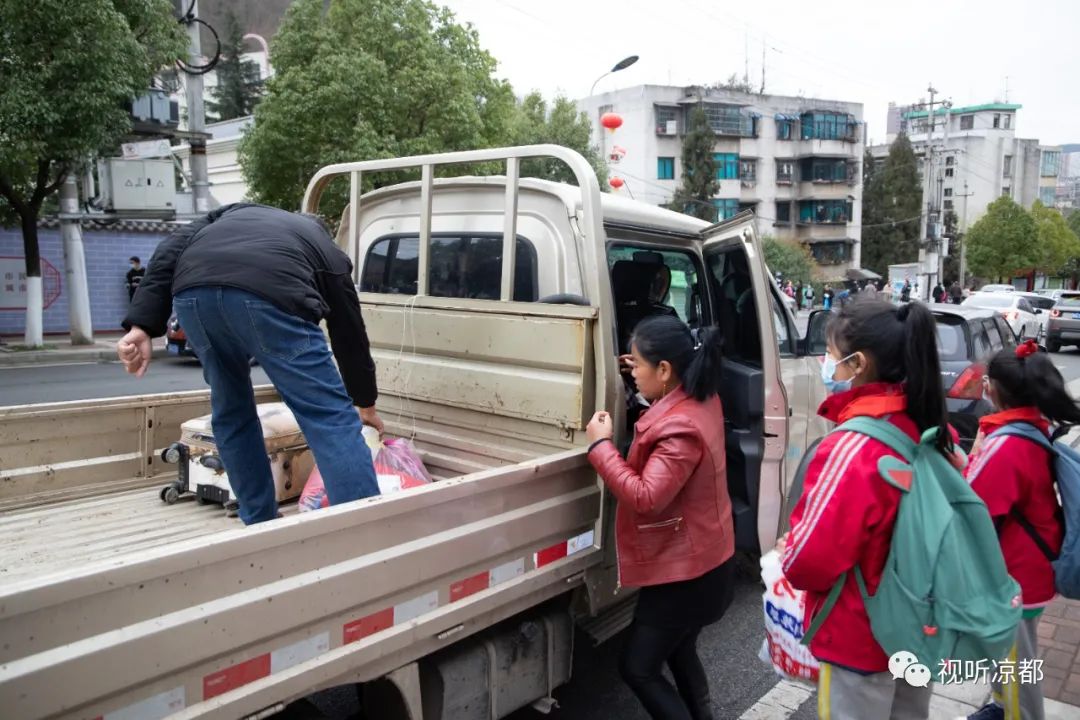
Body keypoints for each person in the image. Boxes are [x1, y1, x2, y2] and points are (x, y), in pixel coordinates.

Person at [118, 203, 384, 525]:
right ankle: (361, 534)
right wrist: (364, 405)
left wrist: (142, 325)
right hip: (270, 295)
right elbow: (349, 335)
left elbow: (171, 247)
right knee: (328, 416)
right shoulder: (325, 249)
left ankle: (259, 523)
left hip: (193, 295)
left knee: (231, 412)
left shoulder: (233, 211)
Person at [779, 300, 954, 720]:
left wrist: (789, 548)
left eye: (832, 356)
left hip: (862, 633)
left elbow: (810, 561)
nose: (827, 365)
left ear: (859, 364)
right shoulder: (929, 429)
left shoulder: (854, 446)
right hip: (919, 622)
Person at [586, 315, 734, 720]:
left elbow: (646, 496)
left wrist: (600, 447)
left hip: (685, 577)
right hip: (707, 563)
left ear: (665, 369)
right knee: (681, 649)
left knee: (637, 668)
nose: (632, 375)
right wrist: (639, 366)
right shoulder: (701, 397)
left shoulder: (678, 429)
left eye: (638, 365)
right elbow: (661, 390)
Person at [961, 340, 1079, 720]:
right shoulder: (1031, 429)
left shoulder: (1008, 443)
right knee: (1011, 661)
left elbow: (971, 509)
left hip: (1013, 580)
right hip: (1028, 572)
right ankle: (1000, 707)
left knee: (1016, 668)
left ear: (994, 389)